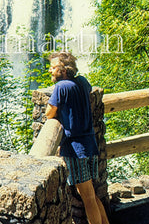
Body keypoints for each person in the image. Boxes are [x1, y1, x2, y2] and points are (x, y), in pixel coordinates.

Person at [45, 51, 110, 224]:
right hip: (90, 144)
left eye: (53, 68)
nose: (50, 71)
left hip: (75, 148)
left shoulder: (61, 87)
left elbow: (50, 112)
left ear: (64, 69)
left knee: (87, 197)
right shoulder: (82, 82)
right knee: (91, 194)